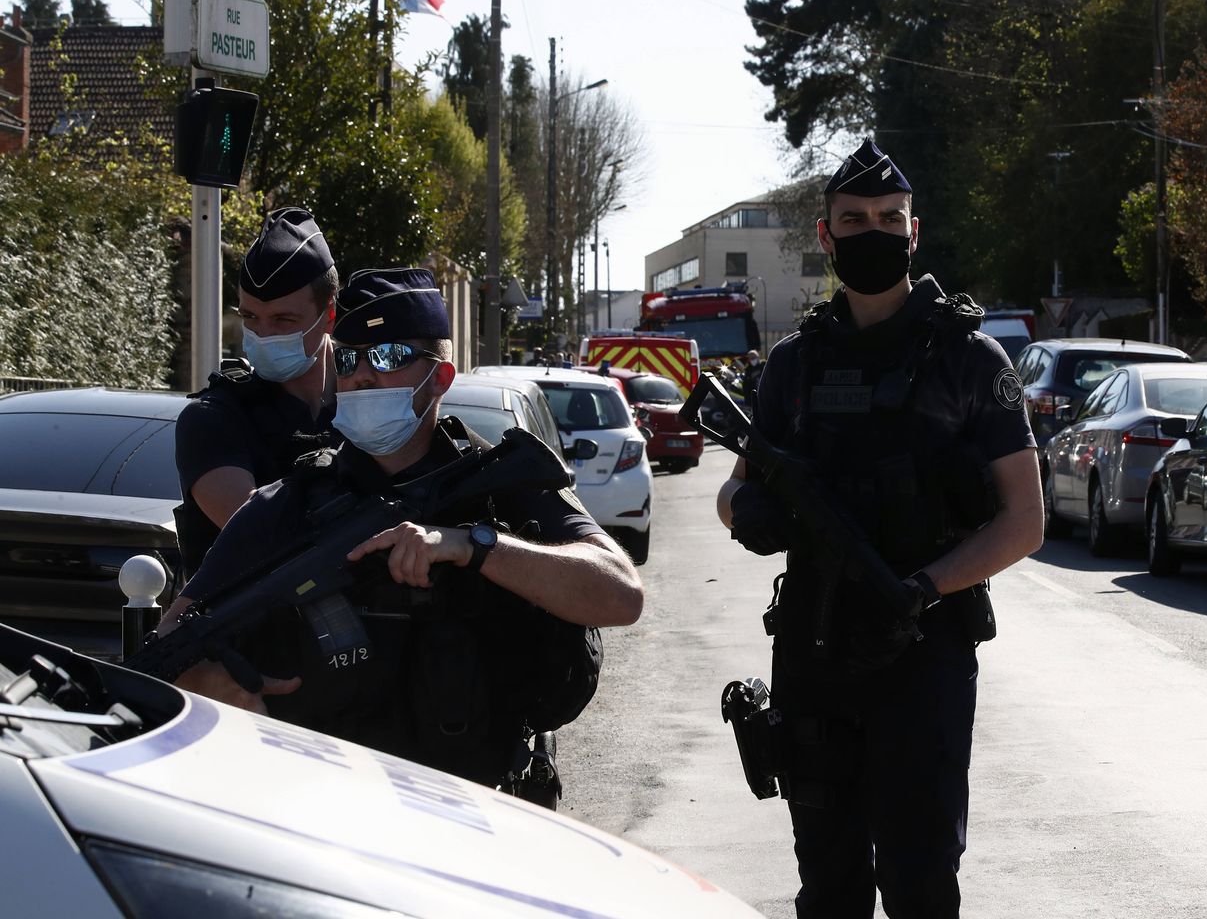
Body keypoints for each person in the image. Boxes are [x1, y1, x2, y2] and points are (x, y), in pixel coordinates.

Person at [714, 138, 1043, 918]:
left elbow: (1023, 520)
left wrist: (923, 588)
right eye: (854, 220)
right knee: (827, 887)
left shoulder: (967, 358)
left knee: (921, 883)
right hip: (815, 649)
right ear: (825, 238)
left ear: (914, 231)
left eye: (890, 218)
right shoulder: (795, 363)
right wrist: (748, 510)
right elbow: (735, 488)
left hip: (921, 655)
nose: (874, 232)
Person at [158, 267, 644, 785]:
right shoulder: (284, 505)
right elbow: (175, 639)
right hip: (326, 810)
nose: (364, 374)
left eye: (389, 357)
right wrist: (209, 682)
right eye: (348, 359)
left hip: (483, 811)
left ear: (440, 378)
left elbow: (621, 595)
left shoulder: (496, 482)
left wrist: (472, 545)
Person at [173, 207, 342, 581]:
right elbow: (260, 534)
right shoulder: (214, 417)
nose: (263, 335)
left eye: (283, 320)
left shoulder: (371, 406)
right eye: (250, 317)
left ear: (328, 314)